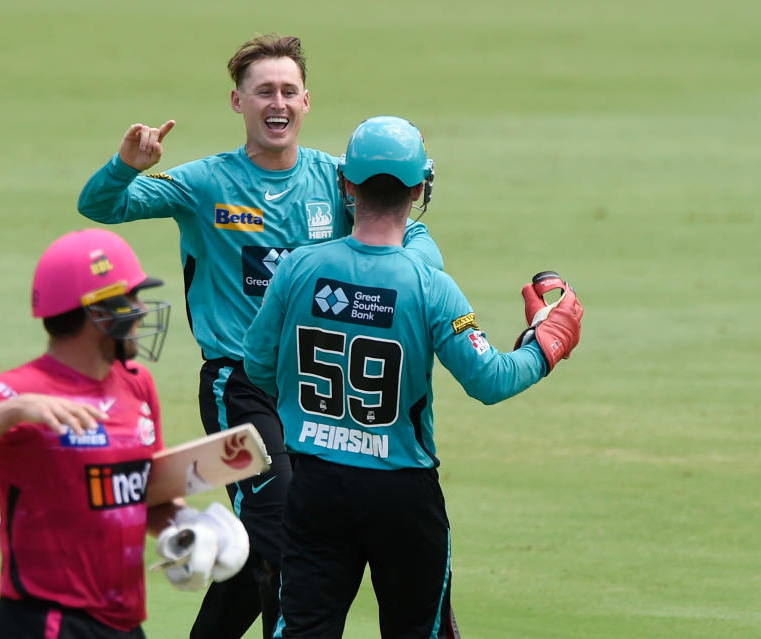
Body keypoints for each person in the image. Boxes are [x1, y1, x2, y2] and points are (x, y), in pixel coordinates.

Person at [76, 34, 445, 639]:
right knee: (279, 521)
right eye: (263, 91)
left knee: (270, 534)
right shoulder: (204, 183)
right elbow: (101, 206)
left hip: (315, 385)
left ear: (306, 103)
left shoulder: (336, 178)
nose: (278, 102)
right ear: (237, 102)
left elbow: (405, 225)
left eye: (288, 91)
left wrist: (420, 268)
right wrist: (125, 166)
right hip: (238, 383)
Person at [242, 116, 584, 638]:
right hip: (401, 495)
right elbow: (490, 379)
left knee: (304, 629)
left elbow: (257, 366)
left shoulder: (297, 268)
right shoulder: (432, 286)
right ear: (421, 188)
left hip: (314, 485)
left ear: (346, 185)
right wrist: (546, 346)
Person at [0, 228, 250, 639]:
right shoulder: (19, 391)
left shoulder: (137, 383)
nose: (142, 311)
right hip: (47, 624)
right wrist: (14, 411)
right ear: (97, 312)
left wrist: (184, 523)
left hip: (124, 624)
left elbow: (139, 491)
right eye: (132, 299)